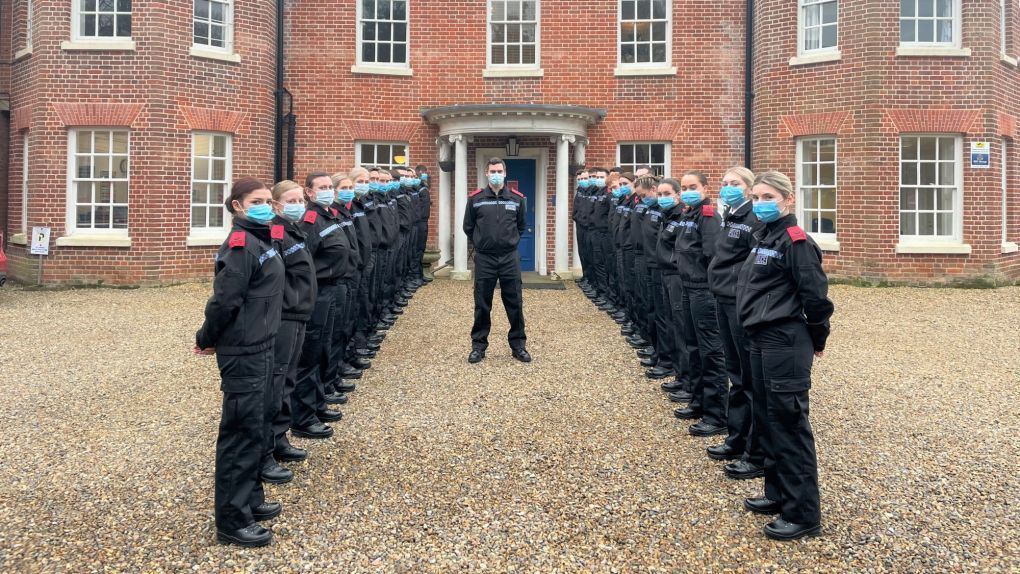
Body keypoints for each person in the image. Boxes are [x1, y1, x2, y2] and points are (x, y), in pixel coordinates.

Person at [736, 170, 833, 541]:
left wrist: (817, 338)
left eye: (767, 197)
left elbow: (816, 298)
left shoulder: (796, 242)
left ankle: (803, 512)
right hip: (761, 337)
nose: (760, 203)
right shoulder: (765, 236)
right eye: (757, 197)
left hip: (784, 339)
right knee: (767, 417)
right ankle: (777, 494)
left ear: (787, 200)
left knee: (789, 423)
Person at [194, 177, 284, 548]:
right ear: (237, 206)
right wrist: (206, 337)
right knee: (240, 432)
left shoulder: (263, 237)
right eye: (256, 201)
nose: (266, 205)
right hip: (243, 350)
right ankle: (231, 519)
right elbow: (225, 301)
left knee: (259, 423)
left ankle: (250, 498)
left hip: (262, 343)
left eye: (268, 200)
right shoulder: (240, 245)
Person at [706, 167, 765, 480]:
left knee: (748, 377)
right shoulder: (730, 216)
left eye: (735, 183)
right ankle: (736, 437)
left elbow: (750, 265)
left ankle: (753, 450)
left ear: (748, 187)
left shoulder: (752, 219)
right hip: (723, 299)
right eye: (725, 183)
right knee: (736, 374)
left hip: (739, 303)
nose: (728, 188)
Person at [261, 180, 316, 486]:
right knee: (277, 382)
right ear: (277, 204)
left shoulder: (295, 230)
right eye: (291, 200)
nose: (298, 204)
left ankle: (280, 438)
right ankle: (266, 450)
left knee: (288, 378)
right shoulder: (276, 232)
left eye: (300, 199)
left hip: (299, 313)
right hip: (285, 315)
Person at [290, 171, 352, 439]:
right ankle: (303, 418)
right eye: (322, 187)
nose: (329, 190)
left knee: (324, 347)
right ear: (310, 192)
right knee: (311, 353)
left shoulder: (329, 214)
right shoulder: (310, 220)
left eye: (330, 186)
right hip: (319, 290)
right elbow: (305, 260)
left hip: (333, 286)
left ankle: (316, 403)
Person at [672, 170, 727, 438]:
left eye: (692, 186)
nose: (686, 191)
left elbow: (712, 256)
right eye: (683, 187)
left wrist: (706, 286)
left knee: (710, 351)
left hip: (703, 290)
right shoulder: (687, 214)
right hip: (687, 286)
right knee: (692, 345)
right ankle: (697, 400)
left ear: (705, 188)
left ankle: (716, 414)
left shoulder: (708, 217)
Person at [463, 157, 531, 364]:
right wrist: (481, 242)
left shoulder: (517, 199)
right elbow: (468, 226)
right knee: (482, 303)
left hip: (509, 257)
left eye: (499, 171)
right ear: (486, 173)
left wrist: (510, 242)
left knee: (515, 302)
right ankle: (478, 346)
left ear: (505, 173)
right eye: (492, 171)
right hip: (485, 258)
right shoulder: (475, 199)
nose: (496, 174)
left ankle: (518, 345)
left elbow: (521, 226)